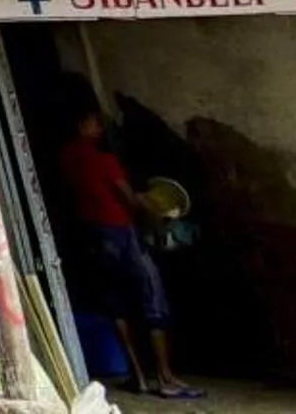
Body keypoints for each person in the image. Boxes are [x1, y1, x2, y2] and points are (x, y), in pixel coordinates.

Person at [59, 108, 197, 397]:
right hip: (121, 233)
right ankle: (166, 377)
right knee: (152, 299)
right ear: (84, 124)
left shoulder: (67, 158)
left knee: (117, 307)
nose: (101, 130)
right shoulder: (105, 160)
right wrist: (154, 205)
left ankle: (139, 379)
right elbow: (130, 200)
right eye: (97, 125)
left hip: (92, 235)